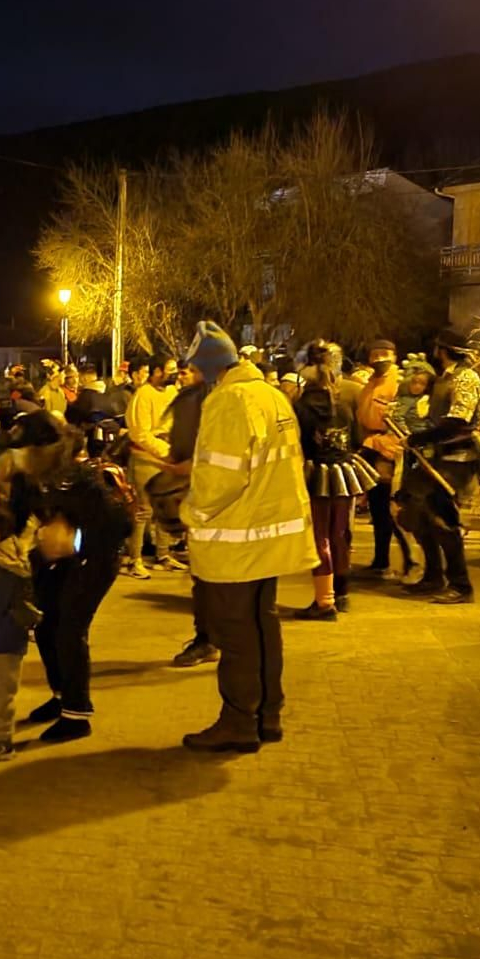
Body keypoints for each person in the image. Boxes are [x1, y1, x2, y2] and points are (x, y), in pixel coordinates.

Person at [180, 322, 315, 752]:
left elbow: (220, 477)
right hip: (268, 537)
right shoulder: (271, 396)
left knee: (235, 633)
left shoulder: (229, 401)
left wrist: (190, 513)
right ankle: (267, 715)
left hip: (236, 540)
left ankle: (238, 722)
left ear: (207, 369)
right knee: (262, 625)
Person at [0, 414, 132, 745]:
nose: (18, 457)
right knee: (44, 625)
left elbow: (118, 528)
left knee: (70, 629)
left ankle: (76, 714)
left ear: (47, 448)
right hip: (55, 558)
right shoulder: (27, 477)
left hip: (95, 559)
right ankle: (60, 694)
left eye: (25, 450)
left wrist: (71, 537)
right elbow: (16, 518)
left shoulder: (82, 477)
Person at [399, 329, 480, 605]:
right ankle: (433, 575)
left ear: (442, 350)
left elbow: (458, 421)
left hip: (456, 459)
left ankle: (461, 585)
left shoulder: (465, 378)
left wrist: (418, 437)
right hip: (434, 456)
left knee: (443, 521)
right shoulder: (444, 379)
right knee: (418, 514)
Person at [293, 350, 378, 619]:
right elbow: (355, 438)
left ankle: (324, 602)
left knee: (320, 538)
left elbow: (300, 442)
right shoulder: (343, 403)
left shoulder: (302, 405)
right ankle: (342, 594)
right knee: (341, 535)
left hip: (315, 473)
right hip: (344, 472)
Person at [151, 362, 218, 667]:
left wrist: (187, 467)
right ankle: (208, 636)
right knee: (202, 572)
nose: (183, 374)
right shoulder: (190, 398)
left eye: (191, 368)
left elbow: (215, 448)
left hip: (207, 494)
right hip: (197, 491)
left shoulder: (212, 400)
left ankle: (210, 639)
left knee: (208, 574)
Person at [355, 340, 411, 574]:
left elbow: (403, 420)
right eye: (374, 354)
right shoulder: (370, 383)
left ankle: (410, 560)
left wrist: (386, 445)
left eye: (384, 355)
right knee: (377, 509)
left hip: (388, 450)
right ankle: (381, 559)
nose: (378, 359)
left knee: (392, 509)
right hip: (371, 446)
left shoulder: (400, 383)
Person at [122, 359, 179, 578]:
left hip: (168, 458)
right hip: (146, 458)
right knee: (143, 510)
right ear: (157, 371)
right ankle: (134, 559)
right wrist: (165, 449)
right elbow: (140, 433)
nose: (174, 374)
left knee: (167, 507)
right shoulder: (143, 395)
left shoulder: (172, 392)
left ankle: (163, 555)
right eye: (169, 370)